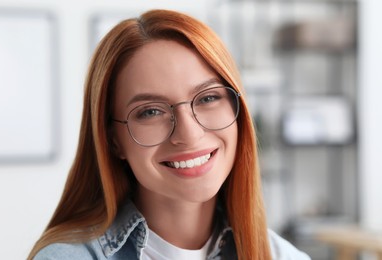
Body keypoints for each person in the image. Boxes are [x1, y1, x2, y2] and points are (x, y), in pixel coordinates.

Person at [29, 9, 310, 260]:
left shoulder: (280, 255)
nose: (189, 134)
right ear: (113, 140)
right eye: (150, 111)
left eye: (208, 98)